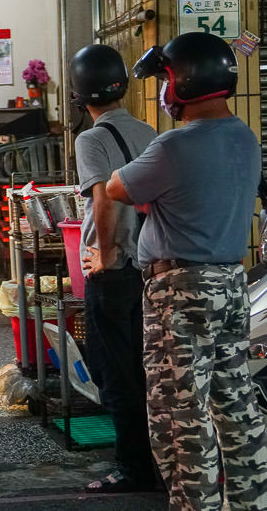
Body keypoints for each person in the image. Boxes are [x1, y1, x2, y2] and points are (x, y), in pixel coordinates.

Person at [107, 32, 267, 509]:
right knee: (235, 403)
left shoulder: (174, 145)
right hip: (231, 284)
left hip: (181, 291)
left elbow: (117, 188)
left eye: (165, 79)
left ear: (185, 82)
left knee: (180, 415)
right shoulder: (244, 137)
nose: (162, 90)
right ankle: (250, 502)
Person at [68, 44, 158, 493]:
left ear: (79, 95)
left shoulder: (91, 139)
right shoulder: (149, 132)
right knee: (145, 369)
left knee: (114, 373)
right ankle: (158, 460)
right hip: (148, 267)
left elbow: (103, 199)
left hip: (114, 272)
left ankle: (132, 468)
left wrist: (104, 256)